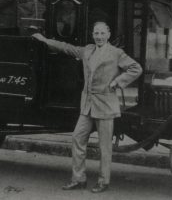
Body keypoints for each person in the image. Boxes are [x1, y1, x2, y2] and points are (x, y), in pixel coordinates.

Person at [33, 22, 142, 193]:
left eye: (102, 33)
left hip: (105, 105)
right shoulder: (88, 50)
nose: (99, 36)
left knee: (104, 146)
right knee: (77, 137)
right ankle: (79, 179)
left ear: (108, 34)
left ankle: (103, 181)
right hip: (88, 105)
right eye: (96, 33)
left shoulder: (116, 53)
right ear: (93, 35)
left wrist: (117, 82)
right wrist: (45, 40)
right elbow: (66, 47)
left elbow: (136, 68)